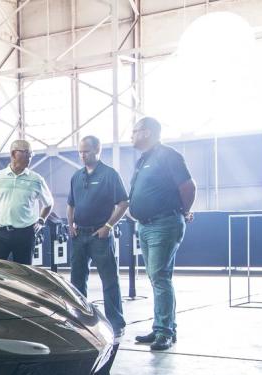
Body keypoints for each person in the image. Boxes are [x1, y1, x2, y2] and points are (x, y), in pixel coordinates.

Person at [128, 116, 196, 351]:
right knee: (157, 277)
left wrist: (184, 211)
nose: (132, 135)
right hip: (145, 226)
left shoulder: (169, 155)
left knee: (160, 277)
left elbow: (188, 186)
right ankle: (162, 327)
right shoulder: (143, 160)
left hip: (163, 223)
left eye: (135, 131)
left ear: (147, 132)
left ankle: (164, 332)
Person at [68, 135, 129, 338]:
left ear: (97, 150)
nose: (82, 155)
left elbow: (123, 203)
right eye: (80, 152)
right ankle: (80, 319)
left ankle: (116, 322)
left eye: (86, 151)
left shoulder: (110, 174)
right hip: (79, 235)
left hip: (100, 236)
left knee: (109, 279)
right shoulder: (77, 176)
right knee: (77, 280)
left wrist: (108, 226)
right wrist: (70, 225)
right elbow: (71, 204)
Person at [0, 139, 53, 264]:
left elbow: (49, 203)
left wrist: (41, 220)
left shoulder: (36, 179)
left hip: (25, 235)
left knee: (23, 276)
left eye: (31, 154)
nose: (30, 157)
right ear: (13, 154)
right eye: (26, 153)